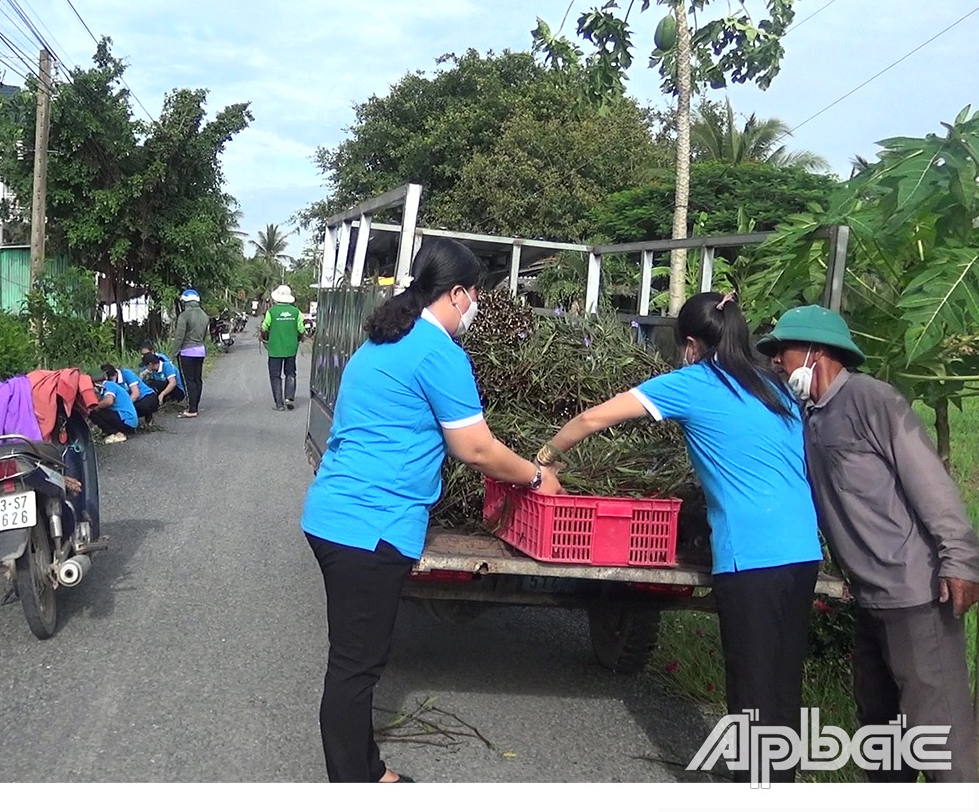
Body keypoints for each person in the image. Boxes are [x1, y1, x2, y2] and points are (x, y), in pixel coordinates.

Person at [301, 238, 559, 783]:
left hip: (336, 513)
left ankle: (368, 770)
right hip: (369, 524)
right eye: (476, 298)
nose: (477, 309)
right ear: (459, 293)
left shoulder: (385, 338)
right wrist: (538, 476)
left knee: (355, 657)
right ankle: (356, 782)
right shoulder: (437, 351)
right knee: (355, 665)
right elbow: (476, 448)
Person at [541, 291, 823, 784]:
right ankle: (780, 782)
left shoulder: (695, 382)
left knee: (751, 681)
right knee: (781, 676)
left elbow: (593, 418)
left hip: (751, 553)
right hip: (801, 548)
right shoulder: (773, 387)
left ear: (692, 343)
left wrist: (543, 457)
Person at [757, 305, 979, 783]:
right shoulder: (807, 415)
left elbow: (932, 485)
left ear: (818, 352)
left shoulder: (873, 401)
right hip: (869, 597)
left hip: (917, 596)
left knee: (940, 736)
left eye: (784, 351)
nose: (777, 361)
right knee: (880, 735)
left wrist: (960, 559)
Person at [262, 285, 307, 411]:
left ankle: (279, 404)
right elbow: (301, 329)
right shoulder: (296, 312)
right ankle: (289, 397)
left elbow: (265, 327)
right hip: (291, 348)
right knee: (290, 373)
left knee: (275, 376)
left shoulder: (271, 312)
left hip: (275, 349)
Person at [171, 288, 209, 418]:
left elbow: (179, 337)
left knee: (190, 380)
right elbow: (205, 335)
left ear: (185, 302)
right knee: (198, 380)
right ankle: (195, 406)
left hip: (187, 352)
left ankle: (192, 409)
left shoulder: (184, 316)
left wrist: (174, 352)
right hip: (200, 350)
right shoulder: (204, 315)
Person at [90, 373, 140, 444]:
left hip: (127, 419)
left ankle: (116, 433)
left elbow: (109, 401)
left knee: (93, 413)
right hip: (128, 421)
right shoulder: (109, 388)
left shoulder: (109, 385)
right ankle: (114, 431)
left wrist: (96, 407)